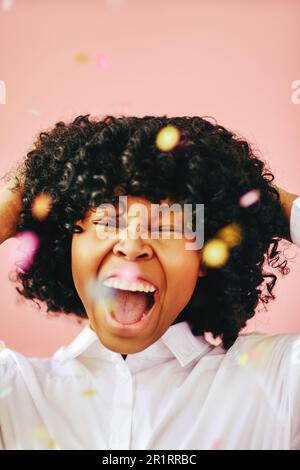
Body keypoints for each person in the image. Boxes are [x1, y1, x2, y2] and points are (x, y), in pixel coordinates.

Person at [0, 114, 299, 450]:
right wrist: (19, 198)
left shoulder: (280, 381)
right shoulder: (13, 393)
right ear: (68, 242)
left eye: (167, 226)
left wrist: (260, 199)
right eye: (108, 220)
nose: (132, 246)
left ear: (204, 255)